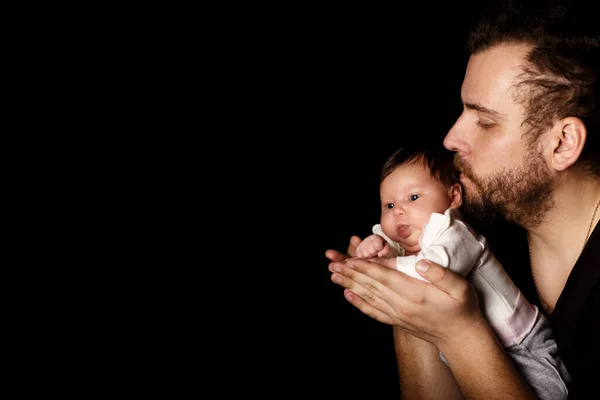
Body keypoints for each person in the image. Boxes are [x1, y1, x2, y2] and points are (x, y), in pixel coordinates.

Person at [326, 0, 600, 398]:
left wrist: (460, 333)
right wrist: (405, 302)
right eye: (462, 111)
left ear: (561, 143)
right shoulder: (480, 222)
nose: (451, 138)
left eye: (485, 121)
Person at [352, 145, 569, 399]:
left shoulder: (455, 231)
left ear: (453, 197)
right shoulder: (407, 241)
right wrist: (372, 248)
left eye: (413, 198)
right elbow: (384, 240)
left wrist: (384, 266)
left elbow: (433, 267)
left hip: (522, 344)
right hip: (462, 348)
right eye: (388, 205)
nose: (398, 211)